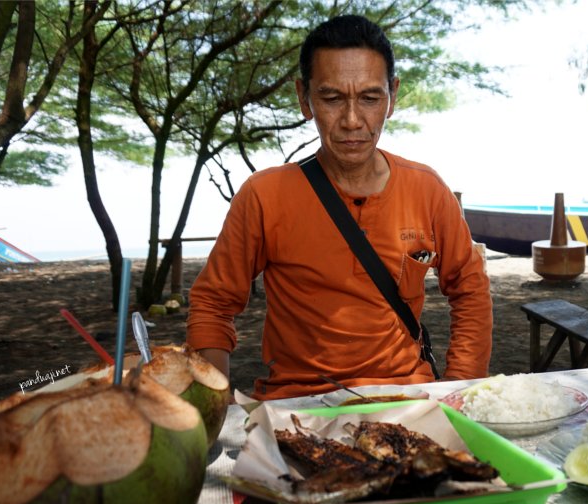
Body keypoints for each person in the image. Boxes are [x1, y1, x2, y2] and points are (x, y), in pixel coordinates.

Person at [186, 14, 492, 400]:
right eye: (331, 98)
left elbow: (470, 288)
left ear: (392, 97)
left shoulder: (427, 189)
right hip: (295, 404)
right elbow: (213, 303)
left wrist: (459, 388)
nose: (351, 120)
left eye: (369, 98)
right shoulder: (264, 195)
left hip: (409, 399)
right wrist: (217, 404)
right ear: (304, 98)